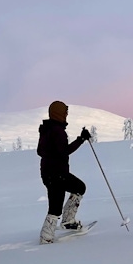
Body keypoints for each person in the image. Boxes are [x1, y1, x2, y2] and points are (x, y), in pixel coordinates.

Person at [36, 100, 92, 244]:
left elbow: (41, 151)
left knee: (78, 188)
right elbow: (64, 152)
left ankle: (67, 222)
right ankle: (47, 237)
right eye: (65, 112)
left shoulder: (46, 129)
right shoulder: (57, 131)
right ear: (59, 113)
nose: (66, 115)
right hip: (57, 174)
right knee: (57, 205)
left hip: (48, 173)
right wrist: (81, 139)